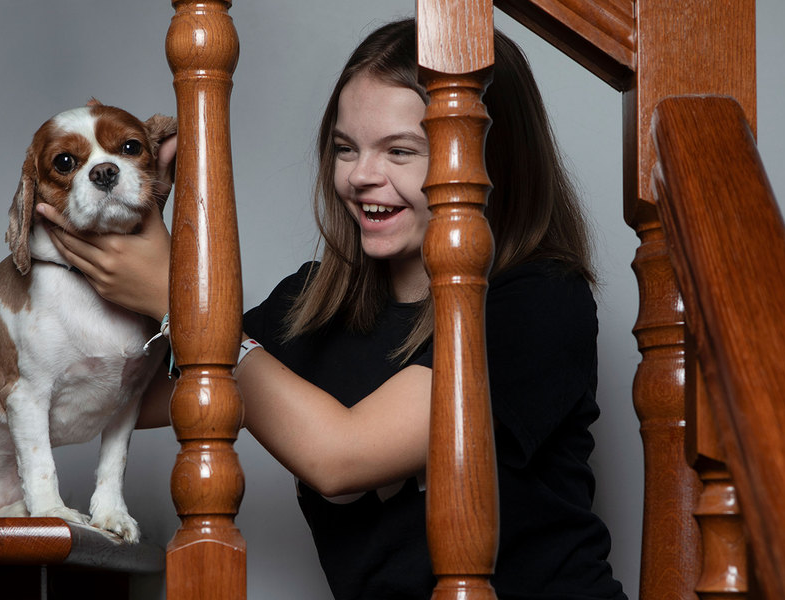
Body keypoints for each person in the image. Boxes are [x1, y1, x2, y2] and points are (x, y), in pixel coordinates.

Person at [39, 18, 626, 600]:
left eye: (401, 151)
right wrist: (138, 222)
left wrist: (181, 297)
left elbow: (341, 456)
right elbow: (104, 400)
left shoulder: (541, 301)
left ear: (493, 161)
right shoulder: (311, 304)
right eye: (346, 148)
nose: (361, 176)